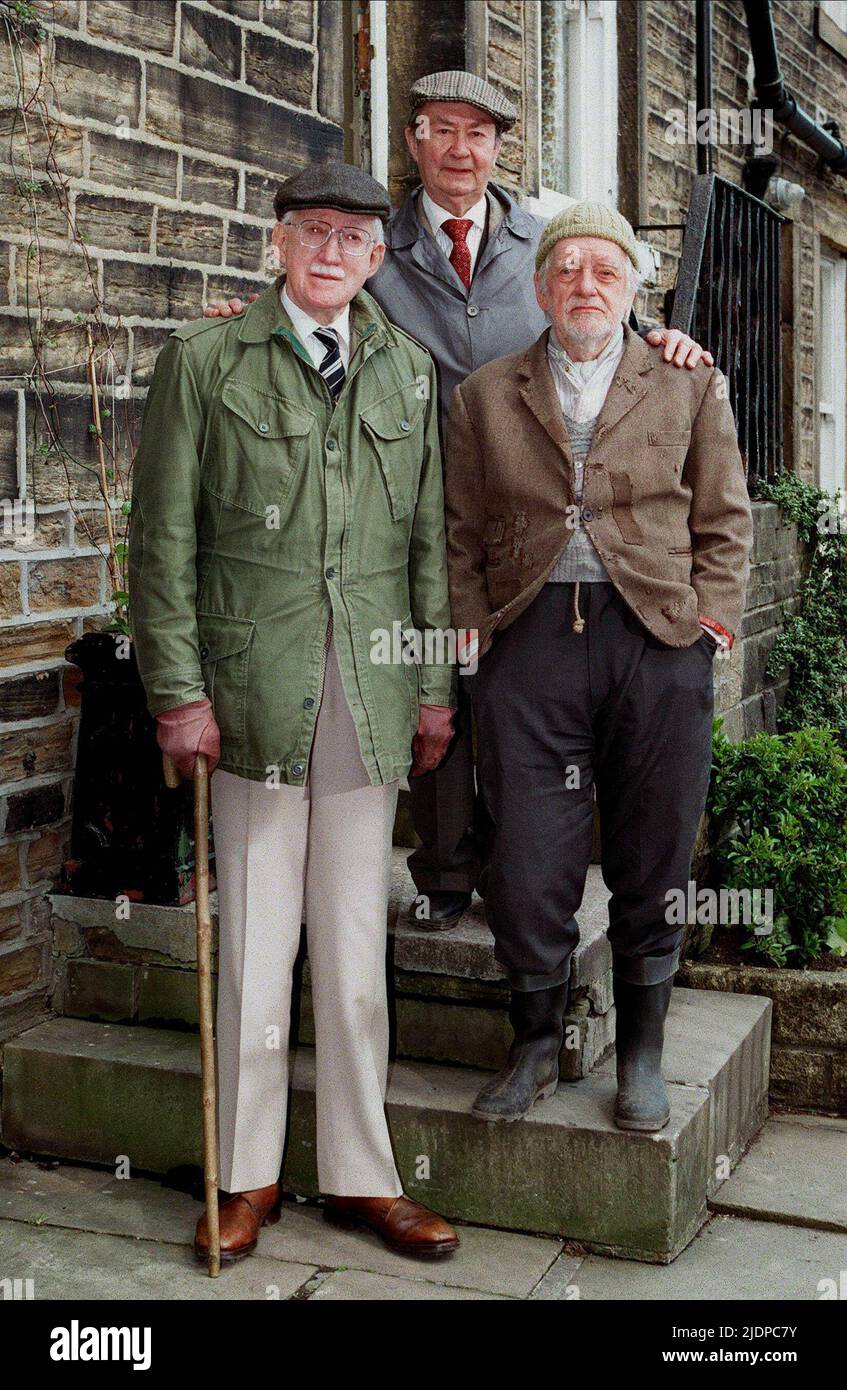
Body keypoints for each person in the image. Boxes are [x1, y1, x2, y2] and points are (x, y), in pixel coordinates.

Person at [203, 70, 714, 932]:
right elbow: (313, 294)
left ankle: (519, 877)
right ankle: (442, 874)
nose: (458, 150)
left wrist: (661, 337)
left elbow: (594, 319)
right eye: (441, 130)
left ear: (498, 148)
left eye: (476, 134)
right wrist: (244, 318)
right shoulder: (378, 242)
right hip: (401, 491)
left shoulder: (540, 241)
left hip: (522, 503)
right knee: (432, 672)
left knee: (505, 685)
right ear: (414, 141)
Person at [128, 162, 460, 1265]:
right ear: (277, 242)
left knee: (357, 953)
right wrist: (176, 691)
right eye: (309, 230)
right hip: (251, 696)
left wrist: (430, 686)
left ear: (377, 258)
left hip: (367, 695)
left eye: (351, 237)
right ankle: (248, 1176)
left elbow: (424, 548)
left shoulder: (409, 374)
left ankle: (366, 1176)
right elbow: (162, 539)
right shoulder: (205, 360)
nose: (329, 250)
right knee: (257, 948)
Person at [444, 202, 754, 1129]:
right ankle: (535, 1042)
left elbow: (723, 518)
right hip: (527, 647)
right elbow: (457, 533)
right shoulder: (484, 394)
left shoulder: (687, 383)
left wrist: (710, 627)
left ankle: (643, 1053)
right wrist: (471, 635)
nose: (585, 284)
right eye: (566, 269)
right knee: (527, 856)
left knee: (652, 849)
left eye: (604, 270)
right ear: (539, 288)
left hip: (654, 644)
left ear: (631, 288)